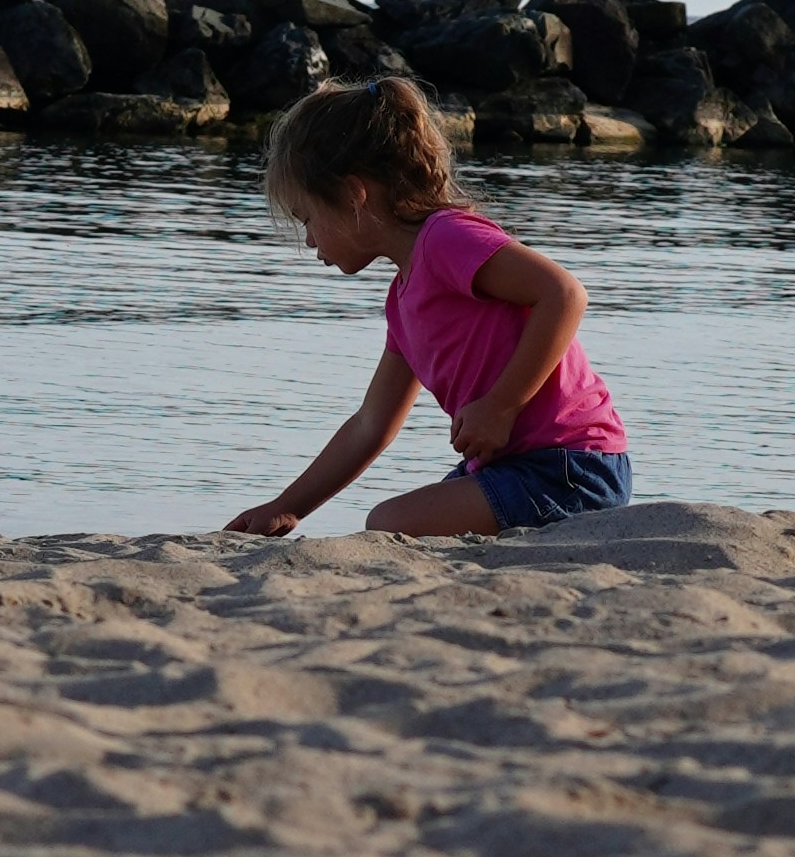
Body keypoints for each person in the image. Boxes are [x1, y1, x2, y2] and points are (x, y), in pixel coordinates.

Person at [226, 75, 634, 537]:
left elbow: (563, 294)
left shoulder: (446, 239)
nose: (310, 240)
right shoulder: (402, 300)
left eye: (308, 218)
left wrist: (501, 406)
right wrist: (288, 506)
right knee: (396, 522)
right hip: (515, 468)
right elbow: (370, 425)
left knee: (388, 523)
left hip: (571, 465)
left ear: (353, 193)